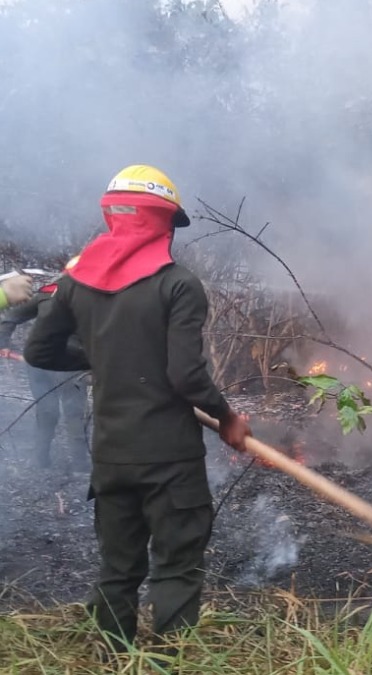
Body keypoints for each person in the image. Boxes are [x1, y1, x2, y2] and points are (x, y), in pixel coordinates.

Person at [25, 165, 252, 655]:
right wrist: (228, 417)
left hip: (110, 457)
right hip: (170, 460)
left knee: (118, 569)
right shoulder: (178, 285)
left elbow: (39, 353)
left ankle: (112, 659)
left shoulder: (74, 283)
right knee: (176, 566)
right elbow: (186, 376)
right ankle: (172, 662)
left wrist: (102, 359)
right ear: (163, 222)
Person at [0, 256, 90, 470]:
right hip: (66, 366)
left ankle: (42, 462)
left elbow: (10, 317)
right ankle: (78, 466)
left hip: (44, 362)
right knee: (72, 414)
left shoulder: (49, 291)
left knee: (49, 411)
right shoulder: (92, 297)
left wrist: (3, 342)